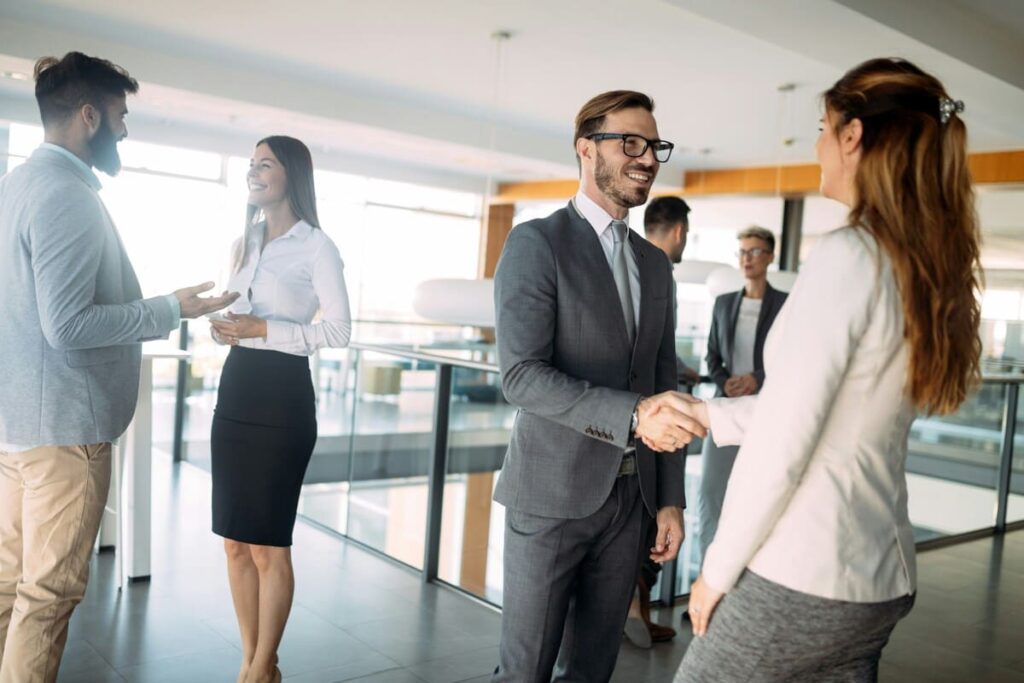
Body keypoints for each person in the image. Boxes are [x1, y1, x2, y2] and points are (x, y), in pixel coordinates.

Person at [673, 58, 982, 682]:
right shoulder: (919, 267)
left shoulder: (849, 255)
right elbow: (831, 411)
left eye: (823, 128)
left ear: (852, 136)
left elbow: (785, 444)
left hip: (806, 571)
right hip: (878, 576)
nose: (817, 145)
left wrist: (715, 573)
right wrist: (706, 413)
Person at [0, 52, 236, 683]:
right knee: (46, 597)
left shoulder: (15, 186)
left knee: (8, 586)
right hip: (63, 436)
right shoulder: (66, 196)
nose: (125, 129)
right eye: (120, 115)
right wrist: (171, 308)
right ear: (89, 115)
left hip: (17, 428)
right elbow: (68, 326)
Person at [491, 90, 705, 683]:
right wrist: (634, 415)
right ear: (586, 148)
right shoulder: (536, 243)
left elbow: (663, 381)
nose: (648, 158)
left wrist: (669, 498)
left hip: (632, 503)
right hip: (550, 494)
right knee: (525, 671)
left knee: (592, 672)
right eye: (630, 143)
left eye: (654, 146)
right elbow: (521, 376)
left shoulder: (654, 264)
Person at [208, 135, 351, 683]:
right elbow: (240, 316)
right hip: (236, 388)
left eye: (264, 164)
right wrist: (227, 329)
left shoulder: (317, 247)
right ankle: (254, 662)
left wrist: (264, 329)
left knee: (268, 544)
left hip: (282, 399)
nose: (253, 172)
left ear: (292, 174)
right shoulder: (242, 243)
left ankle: (262, 665)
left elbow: (337, 331)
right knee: (235, 543)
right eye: (251, 164)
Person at [623, 195, 699, 648]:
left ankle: (634, 604)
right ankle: (636, 603)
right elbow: (654, 351)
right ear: (679, 231)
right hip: (647, 419)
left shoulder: (634, 262)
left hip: (632, 414)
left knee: (645, 514)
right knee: (647, 515)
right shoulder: (657, 270)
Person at [698, 226, 787, 563]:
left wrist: (756, 378)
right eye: (742, 252)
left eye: (755, 251)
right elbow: (711, 357)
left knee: (759, 497)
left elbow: (792, 356)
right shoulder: (723, 304)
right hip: (726, 407)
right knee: (711, 494)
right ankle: (707, 572)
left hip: (766, 412)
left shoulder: (785, 305)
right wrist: (725, 382)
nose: (747, 259)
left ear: (770, 256)